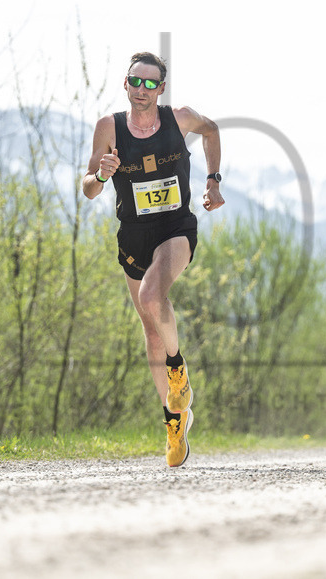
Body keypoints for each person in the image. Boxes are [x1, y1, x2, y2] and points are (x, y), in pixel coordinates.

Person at [82, 51, 225, 468]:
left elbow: (213, 131)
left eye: (151, 83)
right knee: (151, 333)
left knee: (151, 296)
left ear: (161, 88)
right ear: (125, 84)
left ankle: (178, 371)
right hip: (133, 236)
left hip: (175, 228)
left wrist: (213, 182)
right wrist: (102, 175)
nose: (142, 90)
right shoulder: (108, 128)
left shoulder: (179, 119)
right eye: (135, 82)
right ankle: (174, 421)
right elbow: (88, 188)